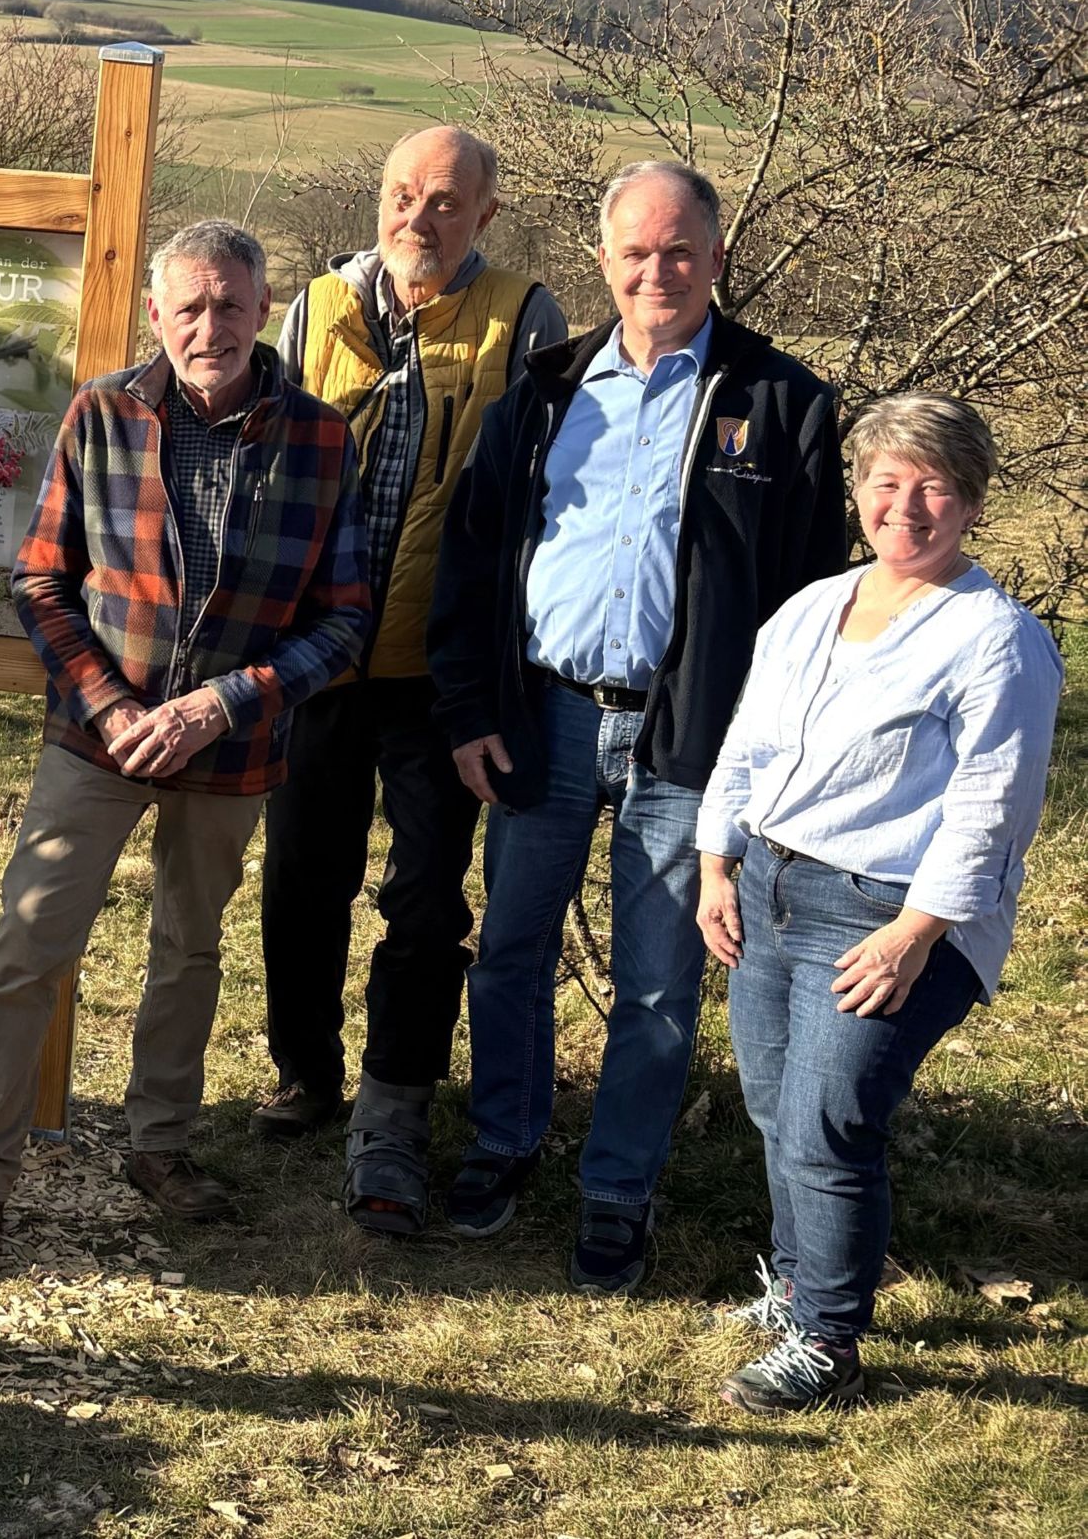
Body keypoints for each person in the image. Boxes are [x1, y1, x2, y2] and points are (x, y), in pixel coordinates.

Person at [0, 219, 372, 1284]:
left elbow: (345, 618)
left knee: (190, 946)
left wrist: (225, 702)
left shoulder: (318, 437)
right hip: (96, 735)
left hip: (230, 741)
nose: (209, 325)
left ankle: (158, 1147)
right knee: (27, 948)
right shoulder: (103, 413)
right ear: (155, 314)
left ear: (265, 311)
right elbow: (39, 580)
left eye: (230, 304)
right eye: (189, 306)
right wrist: (112, 706)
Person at [428, 159, 846, 1294]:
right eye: (634, 251)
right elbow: (467, 564)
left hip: (692, 744)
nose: (655, 270)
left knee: (658, 985)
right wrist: (468, 709)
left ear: (715, 257)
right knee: (508, 952)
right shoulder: (544, 393)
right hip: (542, 720)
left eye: (678, 250)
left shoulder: (783, 403)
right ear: (603, 259)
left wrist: (770, 760)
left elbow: (815, 604)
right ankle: (503, 1144)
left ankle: (617, 1192)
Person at [696, 396, 1062, 1411]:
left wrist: (914, 934)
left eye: (933, 485)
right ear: (856, 491)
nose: (905, 506)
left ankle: (827, 1343)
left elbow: (994, 810)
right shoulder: (813, 607)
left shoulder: (996, 639)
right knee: (775, 1106)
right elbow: (749, 742)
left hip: (885, 913)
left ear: (973, 502)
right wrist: (716, 861)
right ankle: (795, 1283)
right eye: (886, 482)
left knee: (828, 1120)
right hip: (768, 885)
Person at [266, 126, 569, 1233]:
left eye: (446, 202)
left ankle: (393, 1105)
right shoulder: (309, 311)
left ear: (485, 215)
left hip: (441, 673)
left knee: (426, 901)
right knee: (303, 875)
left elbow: (538, 497)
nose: (418, 218)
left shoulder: (522, 320)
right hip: (318, 660)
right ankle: (303, 1073)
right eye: (402, 194)